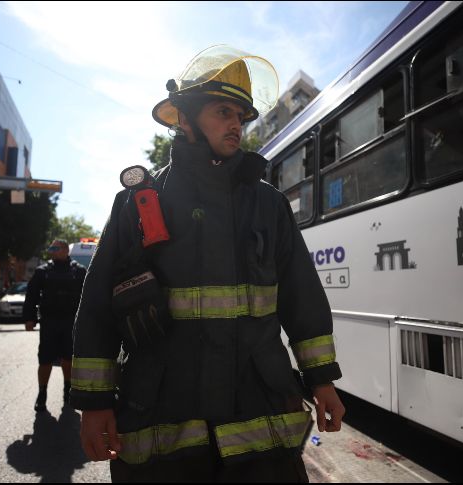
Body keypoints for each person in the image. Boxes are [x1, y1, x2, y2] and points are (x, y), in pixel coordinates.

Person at [70, 45, 345, 482]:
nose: (236, 124)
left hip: (260, 419)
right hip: (162, 422)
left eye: (241, 115)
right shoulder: (138, 203)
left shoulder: (269, 204)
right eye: (223, 111)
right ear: (185, 119)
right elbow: (99, 307)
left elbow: (302, 297)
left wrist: (322, 381)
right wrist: (95, 403)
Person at [23, 239, 87, 413]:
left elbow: (87, 297)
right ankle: (42, 394)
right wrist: (29, 318)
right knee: (45, 360)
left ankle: (68, 390)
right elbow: (32, 295)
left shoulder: (79, 271)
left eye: (55, 248)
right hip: (49, 322)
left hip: (70, 323)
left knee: (68, 359)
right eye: (50, 247)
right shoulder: (43, 271)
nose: (52, 250)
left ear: (66, 250)